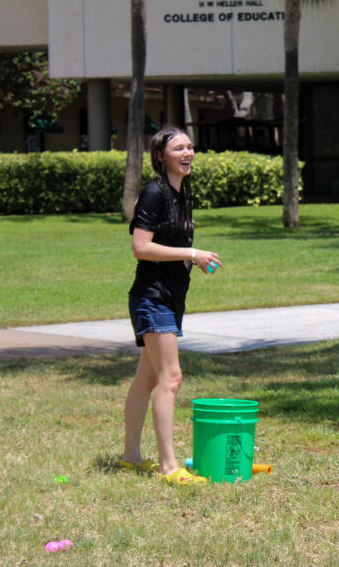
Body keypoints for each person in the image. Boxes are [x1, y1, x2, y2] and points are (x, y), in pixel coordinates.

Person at [119, 127, 222, 485]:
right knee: (171, 378)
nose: (188, 152)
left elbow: (166, 245)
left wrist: (191, 259)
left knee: (147, 378)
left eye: (191, 146)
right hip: (152, 297)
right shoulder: (154, 193)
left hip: (168, 297)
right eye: (179, 148)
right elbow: (140, 247)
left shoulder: (181, 194)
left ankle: (131, 458)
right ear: (161, 156)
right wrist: (191, 253)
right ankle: (168, 467)